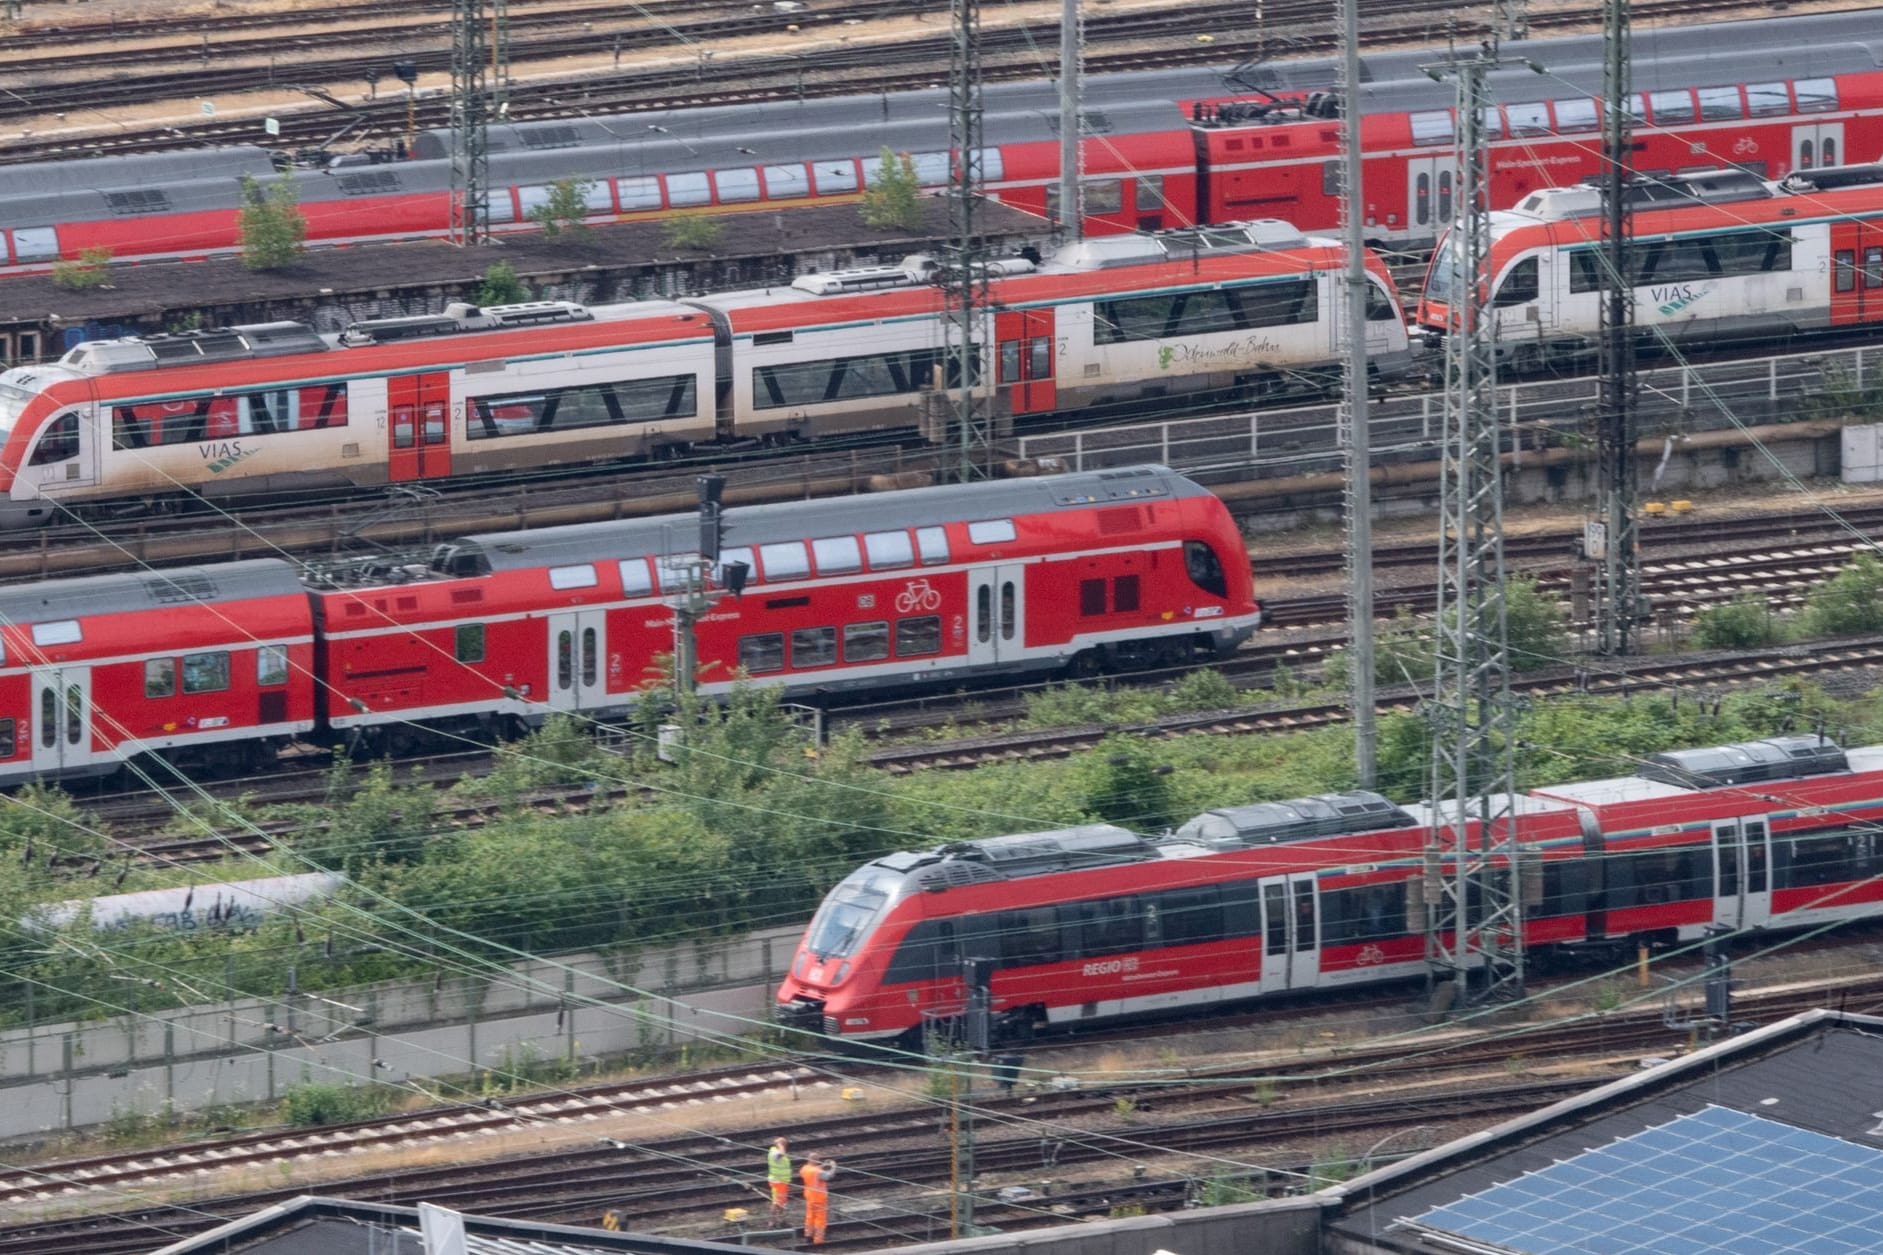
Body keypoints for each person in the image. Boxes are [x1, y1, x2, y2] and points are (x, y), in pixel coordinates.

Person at [801, 1153, 836, 1244]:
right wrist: (833, 1167)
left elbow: (814, 1171)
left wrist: (822, 1166)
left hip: (809, 1196)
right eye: (818, 1160)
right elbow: (828, 1176)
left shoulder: (804, 1169)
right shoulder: (817, 1172)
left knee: (810, 1217)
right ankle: (818, 1240)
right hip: (819, 1198)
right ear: (814, 1160)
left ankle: (808, 1236)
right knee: (820, 1219)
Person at [766, 1136, 792, 1221]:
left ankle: (778, 1219)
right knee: (777, 1202)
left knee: (780, 1202)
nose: (785, 1146)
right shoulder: (775, 1153)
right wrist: (780, 1144)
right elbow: (781, 1153)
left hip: (780, 1181)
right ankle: (773, 1220)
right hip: (779, 1181)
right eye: (784, 1144)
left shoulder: (774, 1151)